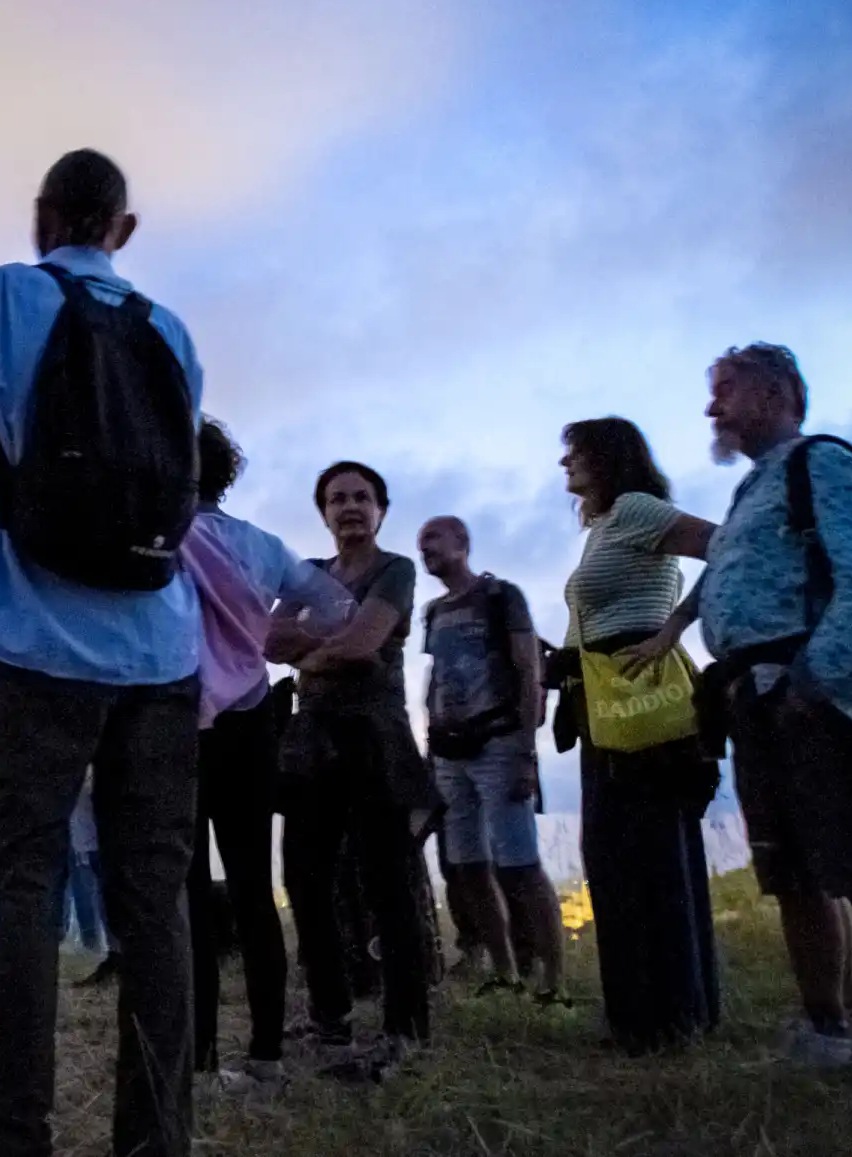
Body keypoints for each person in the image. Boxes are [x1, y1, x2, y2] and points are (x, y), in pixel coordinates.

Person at [0, 148, 205, 1157]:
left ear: (41, 215)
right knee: (153, 902)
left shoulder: (2, 294)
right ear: (122, 229)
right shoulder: (166, 329)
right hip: (157, 649)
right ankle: (156, 1141)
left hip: (33, 639)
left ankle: (12, 1137)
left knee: (23, 887)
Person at [692, 344, 852, 1116]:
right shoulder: (753, 489)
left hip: (813, 697)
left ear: (774, 393)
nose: (713, 408)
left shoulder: (824, 462)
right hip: (757, 699)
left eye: (726, 390)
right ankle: (826, 1029)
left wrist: (820, 678)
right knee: (792, 874)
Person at [181, 418, 353, 1090]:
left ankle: (194, 1059)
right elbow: (336, 605)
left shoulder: (165, 535)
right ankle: (265, 1057)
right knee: (254, 888)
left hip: (183, 722)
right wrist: (275, 635)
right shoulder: (260, 543)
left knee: (189, 890)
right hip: (253, 719)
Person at [555, 417, 722, 1054]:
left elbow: (726, 544)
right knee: (616, 852)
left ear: (607, 456)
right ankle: (643, 1015)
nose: (564, 465)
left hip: (641, 696)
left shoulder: (634, 508)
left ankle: (669, 1018)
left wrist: (673, 627)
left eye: (573, 453)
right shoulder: (605, 527)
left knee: (647, 849)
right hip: (602, 696)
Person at [269, 462, 438, 1072]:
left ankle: (405, 1026)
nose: (349, 507)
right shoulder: (309, 573)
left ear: (380, 509)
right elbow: (267, 639)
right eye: (337, 498)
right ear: (323, 512)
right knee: (307, 883)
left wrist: (309, 648)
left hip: (376, 742)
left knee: (389, 887)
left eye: (361, 497)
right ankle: (329, 1020)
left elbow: (365, 643)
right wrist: (328, 643)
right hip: (310, 745)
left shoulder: (396, 569)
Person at [417, 517, 568, 1004]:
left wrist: (527, 754)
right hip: (449, 754)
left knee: (520, 865)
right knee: (467, 867)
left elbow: (530, 671)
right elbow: (436, 676)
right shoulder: (434, 611)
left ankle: (552, 982)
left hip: (500, 746)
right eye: (422, 546)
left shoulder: (502, 596)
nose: (426, 551)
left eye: (434, 541)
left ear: (463, 543)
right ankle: (504, 974)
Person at [61, 771, 108, 963]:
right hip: (81, 838)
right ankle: (93, 943)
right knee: (85, 891)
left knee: (87, 891)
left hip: (86, 839)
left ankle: (94, 943)